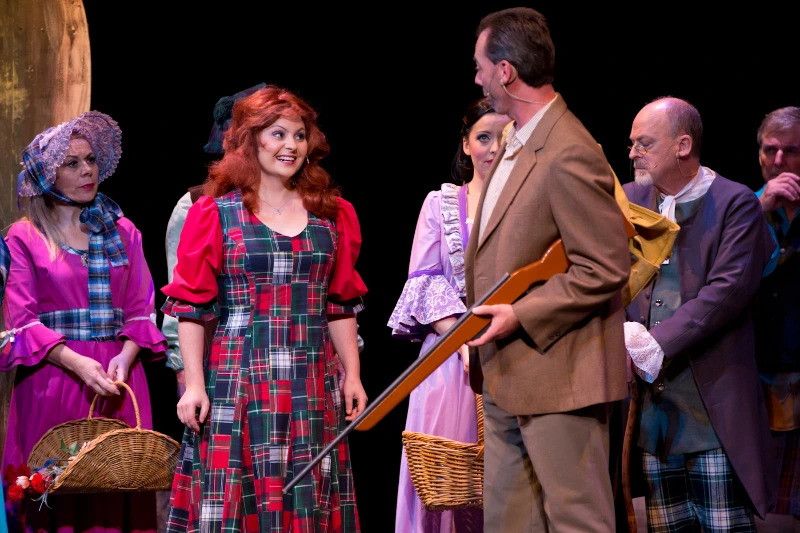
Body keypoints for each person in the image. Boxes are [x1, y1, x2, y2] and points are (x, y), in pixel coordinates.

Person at [162, 86, 368, 533]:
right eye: (278, 134)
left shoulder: (333, 215)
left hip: (312, 378)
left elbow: (339, 304)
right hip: (238, 377)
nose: (291, 145)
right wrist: (193, 384)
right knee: (236, 493)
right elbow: (193, 307)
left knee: (309, 494)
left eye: (299, 135)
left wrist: (352, 374)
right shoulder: (215, 214)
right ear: (250, 140)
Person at [465, 8, 630, 532]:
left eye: (480, 68)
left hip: (561, 373)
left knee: (578, 521)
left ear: (506, 71)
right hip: (508, 372)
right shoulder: (518, 139)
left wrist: (521, 314)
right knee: (509, 522)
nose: (478, 80)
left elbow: (605, 265)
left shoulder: (568, 150)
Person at [1, 111, 167, 532]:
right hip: (55, 375)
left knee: (118, 488)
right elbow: (21, 320)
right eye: (71, 163)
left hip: (116, 375)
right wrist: (77, 362)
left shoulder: (122, 231)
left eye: (90, 160)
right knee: (52, 494)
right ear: (47, 176)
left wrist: (126, 356)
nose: (87, 170)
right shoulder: (26, 236)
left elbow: (141, 308)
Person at [623, 97, 775, 531]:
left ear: (683, 145)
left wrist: (651, 343)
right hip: (654, 420)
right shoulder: (630, 199)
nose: (633, 153)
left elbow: (726, 292)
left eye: (645, 144)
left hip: (712, 413)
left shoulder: (733, 202)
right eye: (632, 143)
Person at [389, 98, 508, 532]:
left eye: (505, 137)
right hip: (449, 357)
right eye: (483, 137)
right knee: (444, 481)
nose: (494, 147)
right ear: (466, 144)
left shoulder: (530, 205)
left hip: (513, 346)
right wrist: (464, 343)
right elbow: (426, 280)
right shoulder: (440, 204)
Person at [752, 106, 800, 524]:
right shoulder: (740, 209)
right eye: (771, 150)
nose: (779, 160)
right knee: (765, 509)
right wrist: (760, 208)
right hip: (757, 374)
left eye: (792, 150)